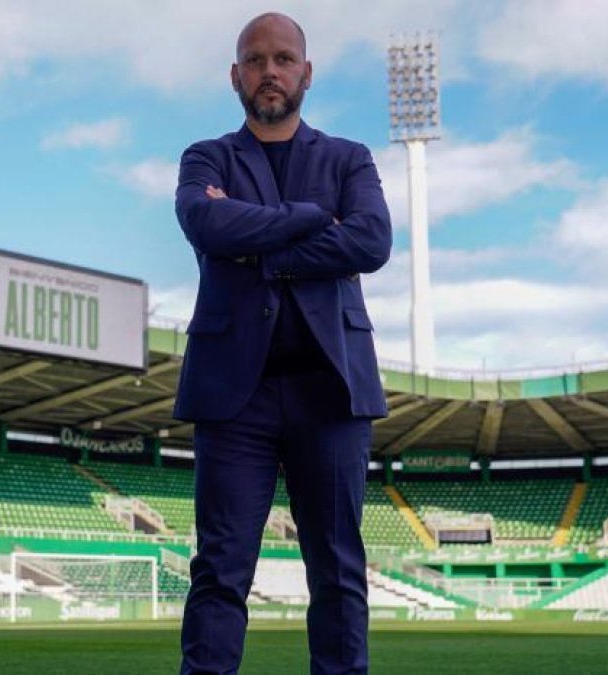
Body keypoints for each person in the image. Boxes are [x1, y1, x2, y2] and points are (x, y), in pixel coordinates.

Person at [173, 12, 391, 675]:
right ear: (236, 76)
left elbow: (371, 241)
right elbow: (206, 223)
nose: (271, 70)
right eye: (257, 59)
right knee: (220, 570)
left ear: (307, 72)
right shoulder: (206, 156)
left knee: (337, 572)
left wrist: (257, 243)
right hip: (235, 396)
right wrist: (304, 221)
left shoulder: (348, 157)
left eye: (284, 58)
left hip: (331, 390)